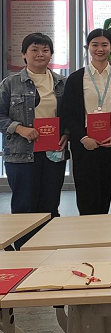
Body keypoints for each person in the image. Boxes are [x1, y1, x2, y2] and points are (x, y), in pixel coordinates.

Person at [0, 33, 68, 246]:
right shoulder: (10, 84)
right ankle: (24, 250)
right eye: (34, 50)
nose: (40, 54)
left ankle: (47, 248)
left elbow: (70, 115)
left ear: (51, 54)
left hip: (53, 153)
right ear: (24, 54)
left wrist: (66, 133)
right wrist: (19, 128)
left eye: (45, 50)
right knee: (24, 206)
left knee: (50, 205)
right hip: (21, 154)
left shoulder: (62, 83)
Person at [62, 29, 111, 215]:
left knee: (105, 192)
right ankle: (87, 230)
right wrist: (83, 138)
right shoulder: (76, 78)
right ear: (88, 47)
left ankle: (101, 229)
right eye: (95, 45)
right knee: (86, 195)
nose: (100, 49)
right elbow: (67, 114)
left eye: (104, 45)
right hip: (84, 143)